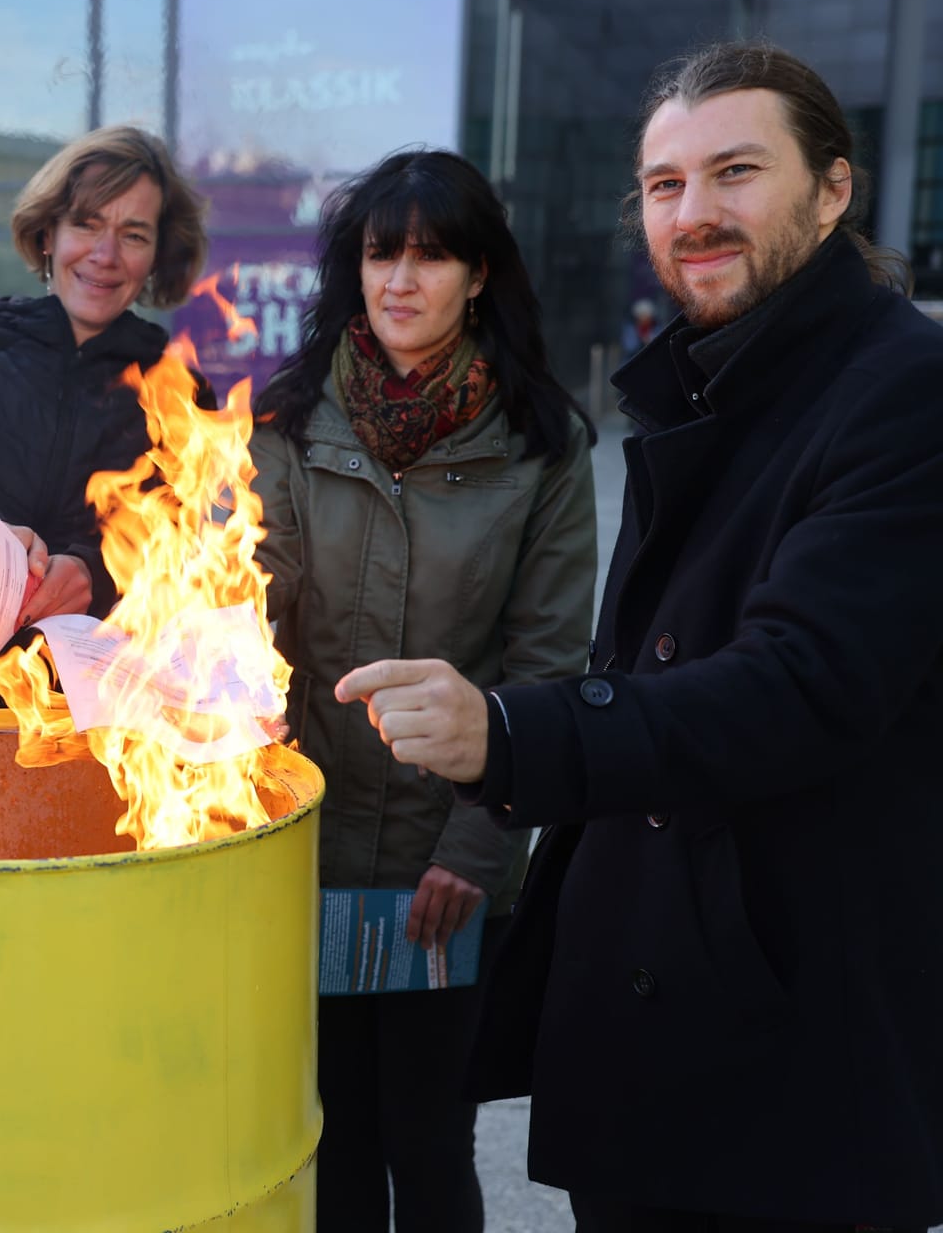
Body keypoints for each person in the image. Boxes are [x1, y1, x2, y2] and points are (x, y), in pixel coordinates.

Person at [336, 41, 943, 1231]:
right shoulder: (712, 380)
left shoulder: (903, 387)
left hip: (783, 1027)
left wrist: (504, 734)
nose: (694, 213)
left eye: (734, 173)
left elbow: (799, 684)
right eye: (665, 185)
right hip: (667, 1005)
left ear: (834, 187)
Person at [249, 149, 596, 1232]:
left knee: (432, 1142)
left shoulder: (543, 447)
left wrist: (476, 844)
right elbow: (252, 622)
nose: (400, 279)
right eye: (379, 252)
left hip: (445, 866)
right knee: (330, 1136)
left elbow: (547, 664)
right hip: (300, 843)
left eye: (431, 254)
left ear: (480, 273)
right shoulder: (289, 422)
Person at [0, 124, 209, 702]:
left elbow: (174, 549)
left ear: (158, 256)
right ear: (46, 235)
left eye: (133, 235)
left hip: (105, 710)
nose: (105, 255)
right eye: (86, 224)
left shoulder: (183, 390)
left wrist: (92, 572)